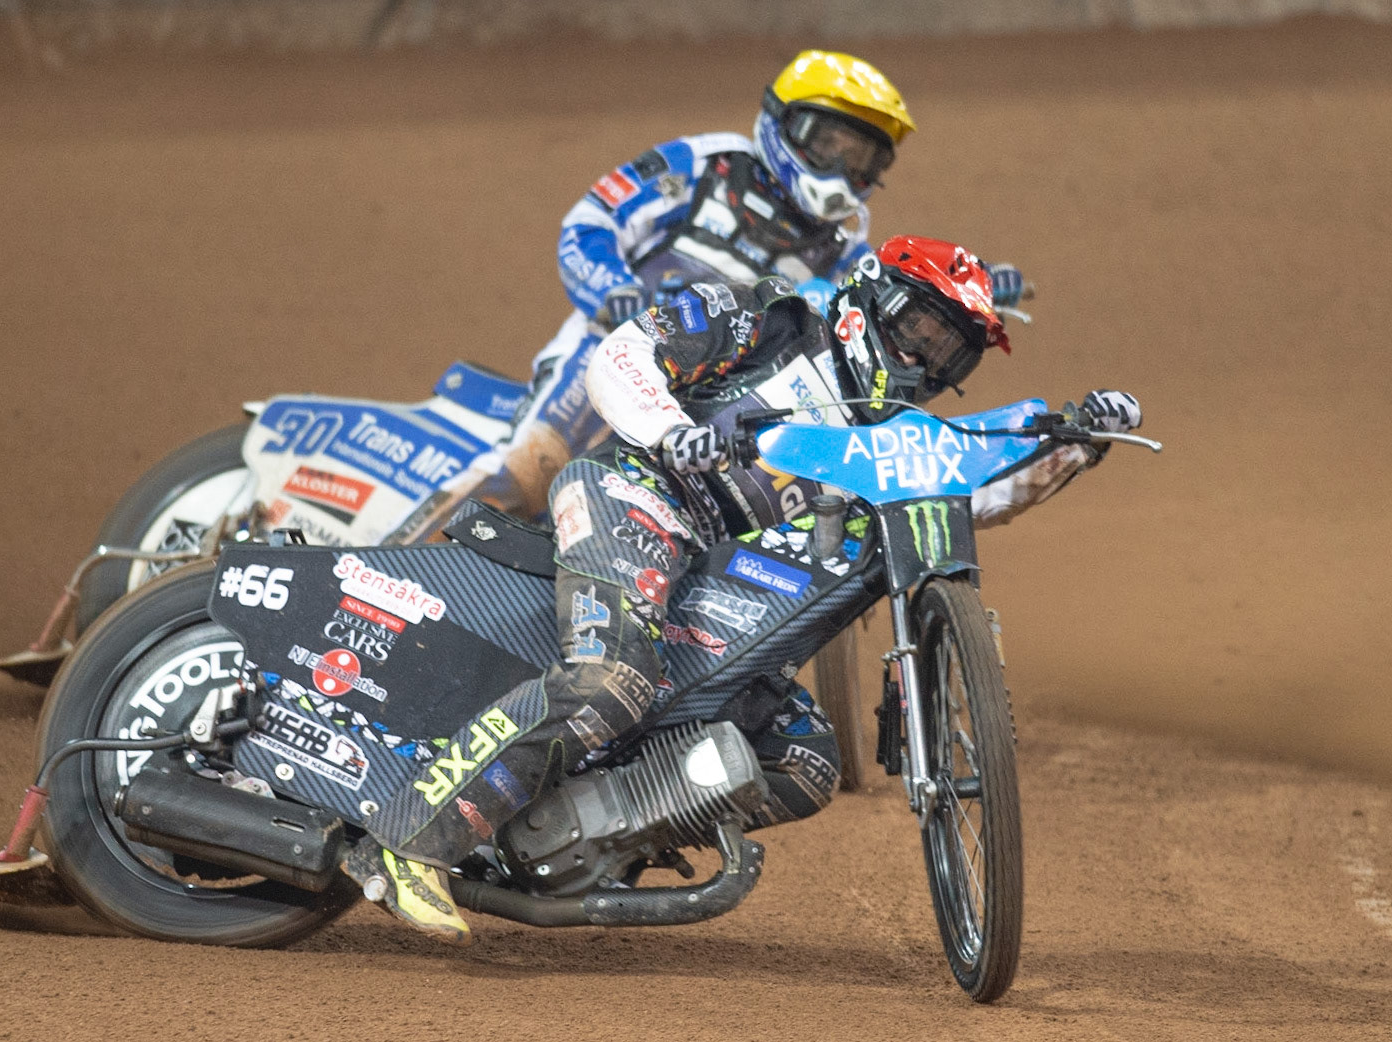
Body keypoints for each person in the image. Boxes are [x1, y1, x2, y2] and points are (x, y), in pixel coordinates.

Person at [344, 236, 1139, 944]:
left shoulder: (892, 438)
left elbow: (979, 493)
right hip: (638, 497)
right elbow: (623, 352)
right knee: (609, 680)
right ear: (875, 304)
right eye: (923, 332)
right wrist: (667, 428)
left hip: (719, 580)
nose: (927, 363)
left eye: (950, 357)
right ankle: (406, 839)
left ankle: (577, 839)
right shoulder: (775, 316)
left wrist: (1076, 443)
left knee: (803, 760)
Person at [443, 50, 1022, 525]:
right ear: (784, 123)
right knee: (530, 472)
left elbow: (873, 305)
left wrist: (971, 289)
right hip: (625, 345)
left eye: (864, 159)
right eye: (832, 146)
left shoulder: (847, 239)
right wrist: (613, 289)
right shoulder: (705, 164)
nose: (844, 172)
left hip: (733, 393)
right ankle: (388, 571)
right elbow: (591, 222)